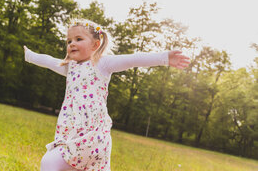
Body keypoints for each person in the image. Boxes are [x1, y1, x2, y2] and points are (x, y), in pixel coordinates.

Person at [24, 18, 190, 171]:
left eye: (78, 39)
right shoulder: (70, 67)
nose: (72, 44)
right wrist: (29, 55)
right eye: (69, 41)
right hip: (72, 137)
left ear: (95, 45)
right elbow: (48, 60)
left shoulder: (101, 64)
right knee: (53, 163)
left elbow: (133, 59)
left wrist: (164, 58)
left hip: (93, 138)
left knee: (49, 162)